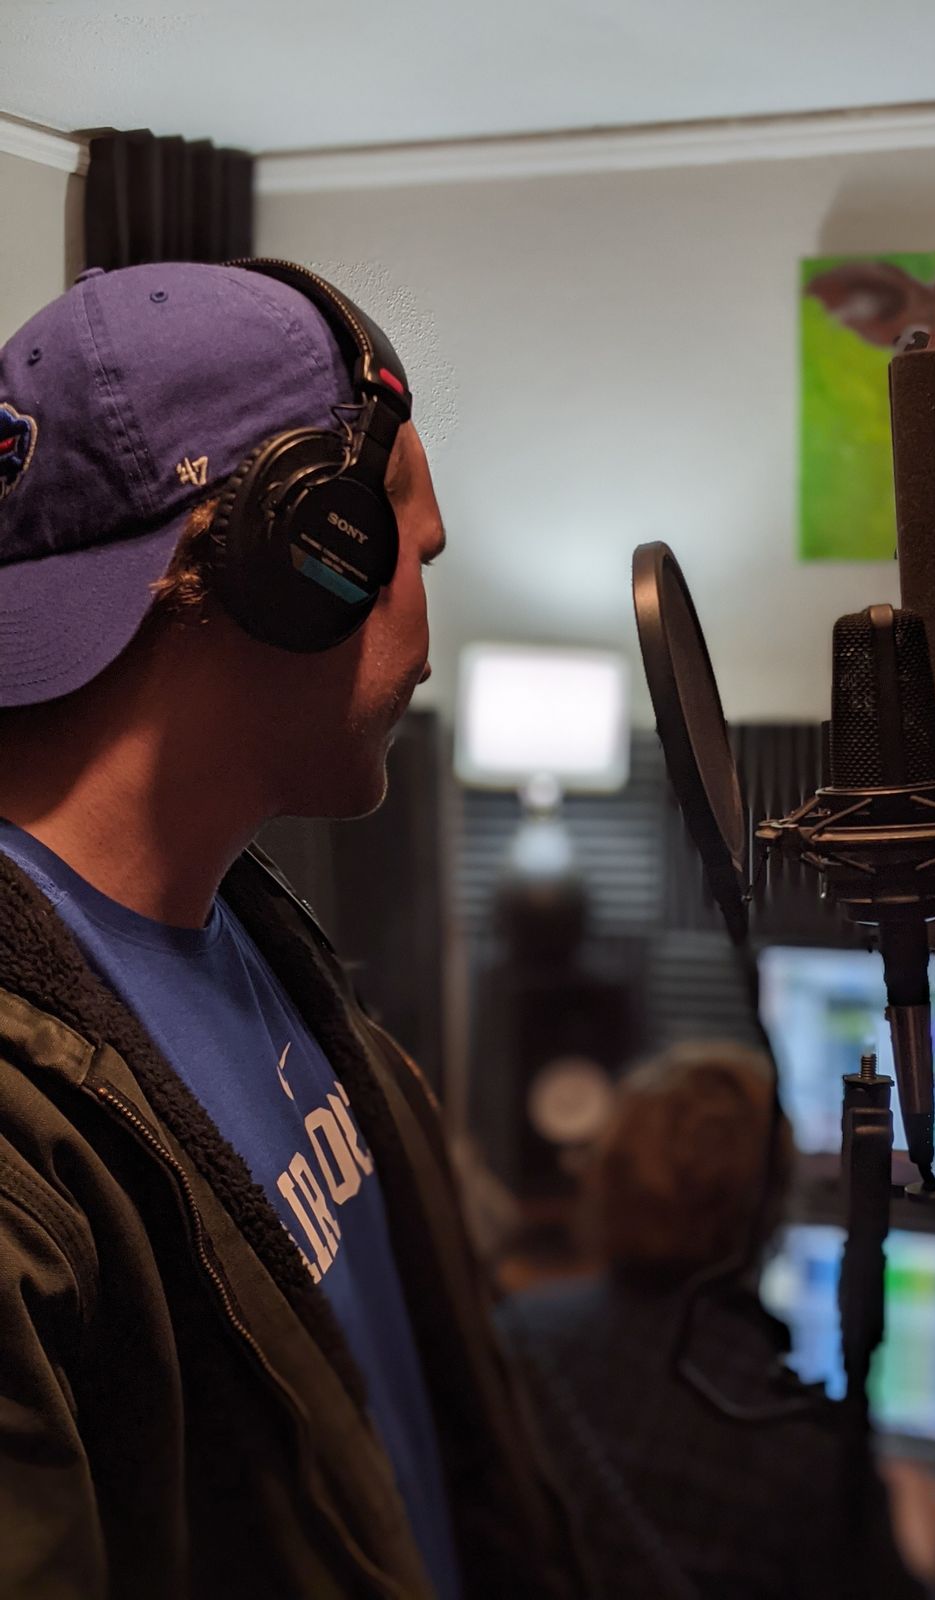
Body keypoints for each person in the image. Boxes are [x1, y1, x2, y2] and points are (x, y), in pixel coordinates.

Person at [0, 261, 581, 1598]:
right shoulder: (23, 1145)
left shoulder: (240, 923)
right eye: (416, 555)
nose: (424, 640)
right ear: (304, 558)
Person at [495, 1042, 935, 1599]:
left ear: (606, 1177)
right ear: (772, 1206)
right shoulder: (804, 1437)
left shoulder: (514, 1338)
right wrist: (921, 1543)